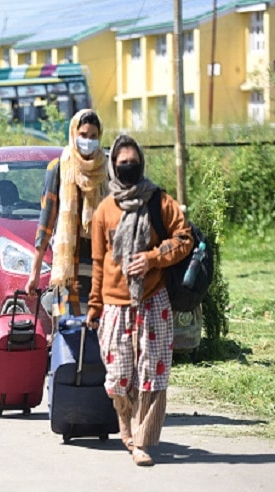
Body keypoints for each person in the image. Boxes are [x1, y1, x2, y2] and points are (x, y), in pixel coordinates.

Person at [86, 134, 193, 467]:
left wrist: (152, 258)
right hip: (115, 305)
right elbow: (99, 263)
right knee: (119, 378)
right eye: (122, 163)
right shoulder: (105, 209)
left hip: (152, 301)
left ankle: (141, 441)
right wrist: (94, 306)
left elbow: (184, 237)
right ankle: (126, 431)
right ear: (114, 167)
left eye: (133, 162)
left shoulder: (158, 201)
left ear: (141, 164)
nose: (128, 167)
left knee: (151, 374)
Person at [25, 109, 108, 317]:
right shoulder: (58, 168)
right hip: (69, 264)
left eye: (93, 137)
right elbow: (46, 223)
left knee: (98, 329)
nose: (88, 141)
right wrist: (34, 272)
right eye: (83, 135)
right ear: (73, 134)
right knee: (69, 328)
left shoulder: (106, 169)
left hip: (100, 262)